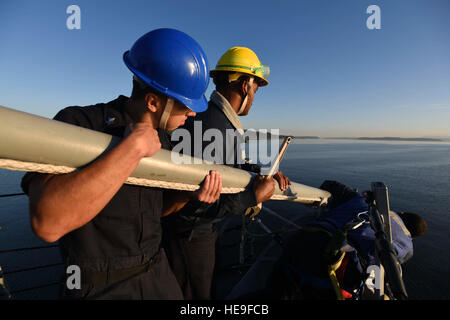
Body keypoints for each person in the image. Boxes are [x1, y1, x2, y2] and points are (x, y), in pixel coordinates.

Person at [20, 28, 223, 300]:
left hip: (158, 275)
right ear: (153, 102)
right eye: (185, 104)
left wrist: (187, 196)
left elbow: (154, 211)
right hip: (99, 287)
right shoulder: (78, 124)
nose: (192, 112)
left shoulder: (166, 142)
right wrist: (131, 150)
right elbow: (48, 223)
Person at [162, 46, 291, 300]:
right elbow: (190, 206)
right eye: (255, 88)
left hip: (191, 238)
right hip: (190, 240)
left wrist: (259, 173)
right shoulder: (216, 128)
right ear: (245, 85)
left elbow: (220, 169)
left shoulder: (211, 120)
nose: (254, 96)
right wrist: (251, 198)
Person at [260, 180, 428, 300]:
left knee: (279, 287)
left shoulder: (367, 203)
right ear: (412, 236)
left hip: (310, 236)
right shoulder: (408, 247)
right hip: (338, 266)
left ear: (402, 213)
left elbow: (331, 185)